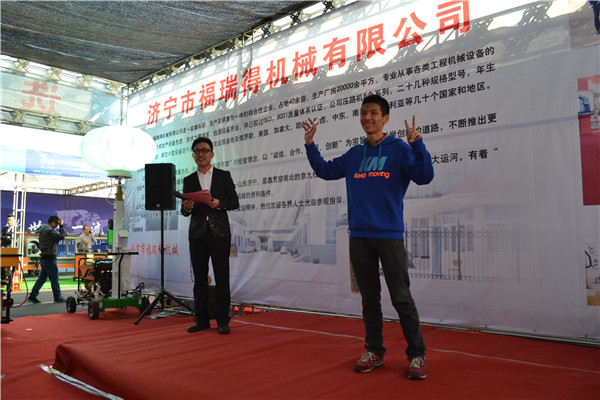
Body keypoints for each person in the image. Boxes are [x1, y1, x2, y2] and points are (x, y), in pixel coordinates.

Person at [301, 94, 434, 380]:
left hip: (389, 235)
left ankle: (417, 355)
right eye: (363, 113)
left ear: (386, 118)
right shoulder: (354, 155)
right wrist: (310, 144)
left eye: (373, 113)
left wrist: (418, 145)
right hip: (359, 236)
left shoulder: (399, 150)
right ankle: (374, 351)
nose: (367, 118)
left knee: (401, 297)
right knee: (369, 300)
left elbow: (424, 177)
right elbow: (324, 171)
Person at [181, 137, 239, 334]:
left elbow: (234, 202)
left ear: (212, 154)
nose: (201, 154)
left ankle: (223, 320)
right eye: (197, 151)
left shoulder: (224, 176)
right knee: (199, 278)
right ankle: (201, 319)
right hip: (197, 234)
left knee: (222, 276)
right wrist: (187, 207)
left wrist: (219, 203)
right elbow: (185, 211)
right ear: (193, 156)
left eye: (205, 150)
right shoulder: (188, 180)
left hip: (220, 232)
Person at [27, 216, 66, 304]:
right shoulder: (49, 231)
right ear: (52, 223)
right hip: (49, 258)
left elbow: (55, 239)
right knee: (54, 279)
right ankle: (57, 297)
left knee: (42, 278)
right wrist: (61, 226)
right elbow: (61, 237)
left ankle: (32, 296)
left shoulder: (43, 230)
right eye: (56, 224)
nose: (56, 226)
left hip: (44, 257)